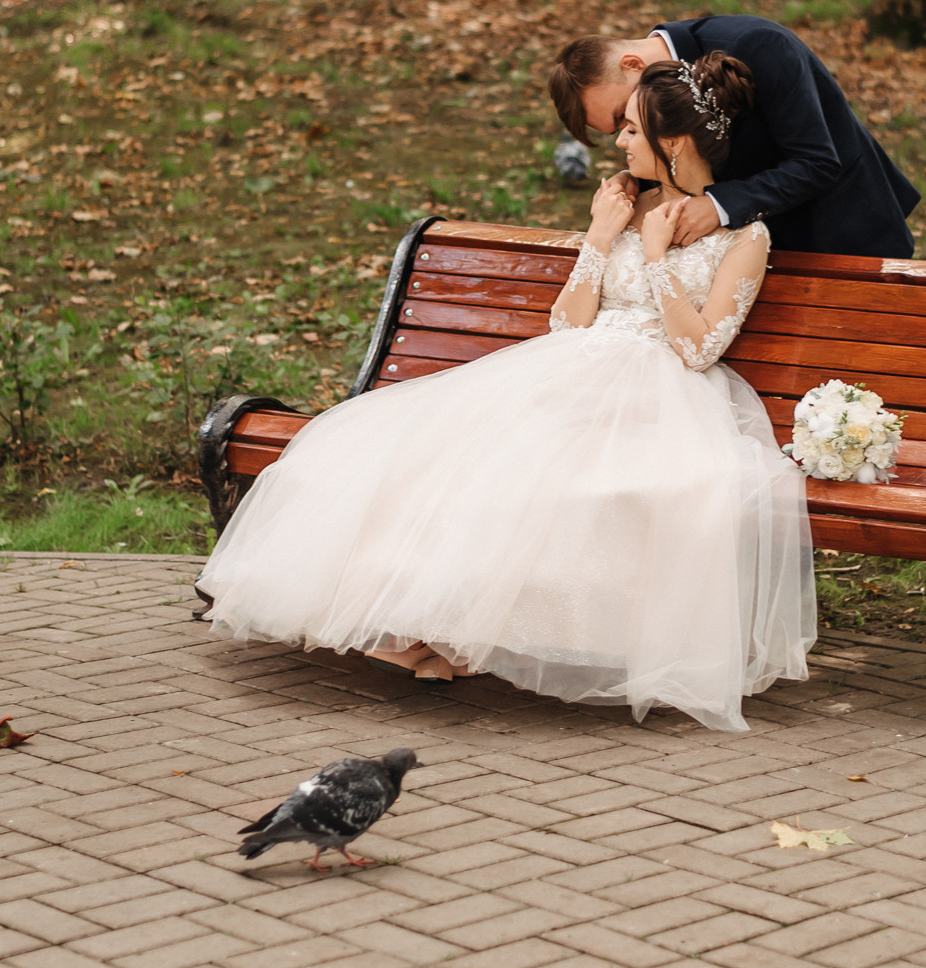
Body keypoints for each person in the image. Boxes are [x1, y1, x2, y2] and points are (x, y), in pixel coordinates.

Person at [196, 53, 815, 732]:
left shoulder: (746, 236)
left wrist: (662, 260)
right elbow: (566, 323)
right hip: (574, 365)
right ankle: (422, 628)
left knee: (568, 484)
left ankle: (459, 639)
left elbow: (698, 348)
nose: (619, 142)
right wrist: (600, 240)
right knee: (452, 453)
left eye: (632, 131)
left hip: (662, 389)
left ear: (673, 144)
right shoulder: (626, 210)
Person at [548, 15, 919, 259]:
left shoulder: (758, 46)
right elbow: (680, 154)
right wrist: (636, 183)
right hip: (748, 262)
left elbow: (817, 162)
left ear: (633, 63)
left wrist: (719, 205)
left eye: (622, 114)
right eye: (619, 128)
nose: (629, 132)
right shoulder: (652, 79)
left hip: (841, 237)